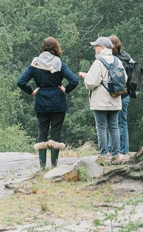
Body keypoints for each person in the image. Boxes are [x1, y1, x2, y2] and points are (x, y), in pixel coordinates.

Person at [16, 37, 80, 169]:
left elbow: (20, 82)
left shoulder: (35, 63)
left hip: (41, 102)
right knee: (56, 133)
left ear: (43, 47)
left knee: (42, 132)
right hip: (58, 101)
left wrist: (32, 92)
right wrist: (66, 89)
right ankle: (54, 167)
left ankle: (42, 167)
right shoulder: (59, 63)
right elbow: (74, 80)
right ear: (55, 48)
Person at [79, 36, 127, 164]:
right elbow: (124, 79)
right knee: (114, 127)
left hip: (100, 101)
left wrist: (85, 77)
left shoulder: (99, 62)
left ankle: (103, 155)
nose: (94, 48)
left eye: (96, 45)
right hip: (115, 99)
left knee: (101, 127)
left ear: (102, 48)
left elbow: (91, 82)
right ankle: (116, 155)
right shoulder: (117, 61)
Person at [110, 35, 137, 157]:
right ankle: (123, 149)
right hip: (127, 94)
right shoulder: (128, 57)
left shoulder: (115, 60)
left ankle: (117, 150)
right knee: (122, 123)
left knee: (115, 123)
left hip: (118, 95)